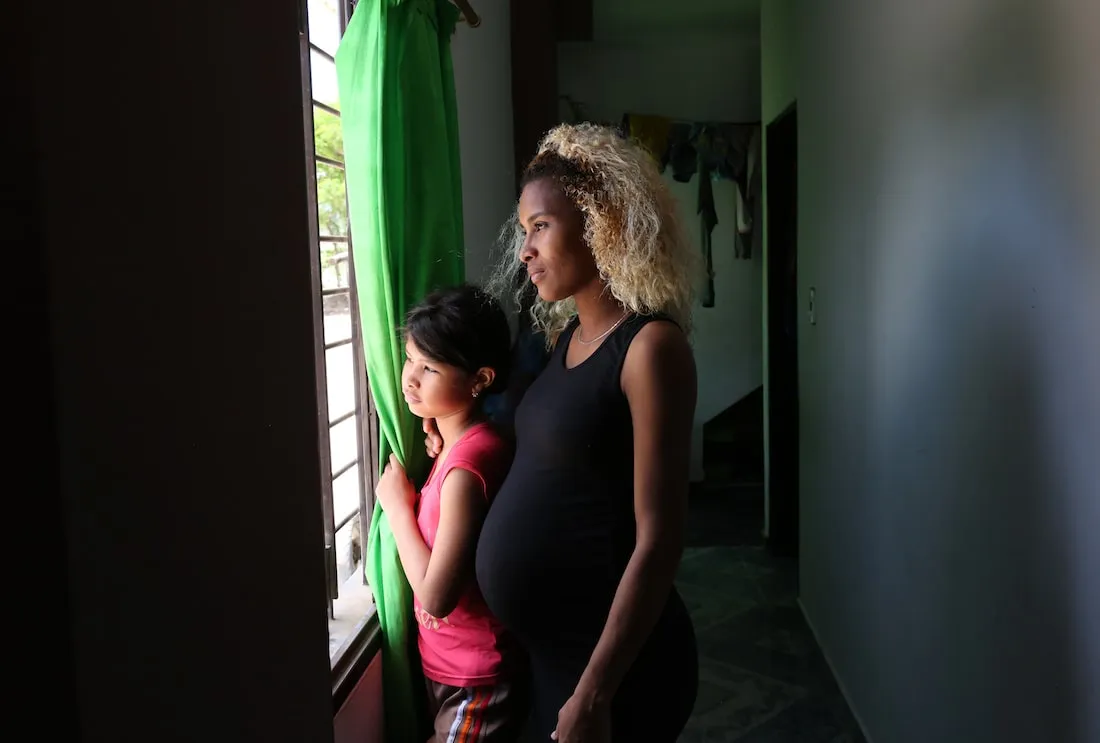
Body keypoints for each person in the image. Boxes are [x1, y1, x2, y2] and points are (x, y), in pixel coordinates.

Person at [425, 123, 701, 742]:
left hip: (615, 673)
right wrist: (442, 432)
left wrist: (595, 692)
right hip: (554, 660)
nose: (525, 249)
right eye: (525, 230)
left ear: (602, 223)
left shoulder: (649, 348)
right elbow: (552, 460)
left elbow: (660, 540)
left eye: (541, 226)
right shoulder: (568, 339)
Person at [375, 284, 528, 743]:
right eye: (409, 359)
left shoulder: (467, 468)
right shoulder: (463, 444)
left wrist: (397, 508)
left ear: (479, 379)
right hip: (452, 664)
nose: (409, 379)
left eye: (430, 368)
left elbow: (436, 596)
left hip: (476, 679)